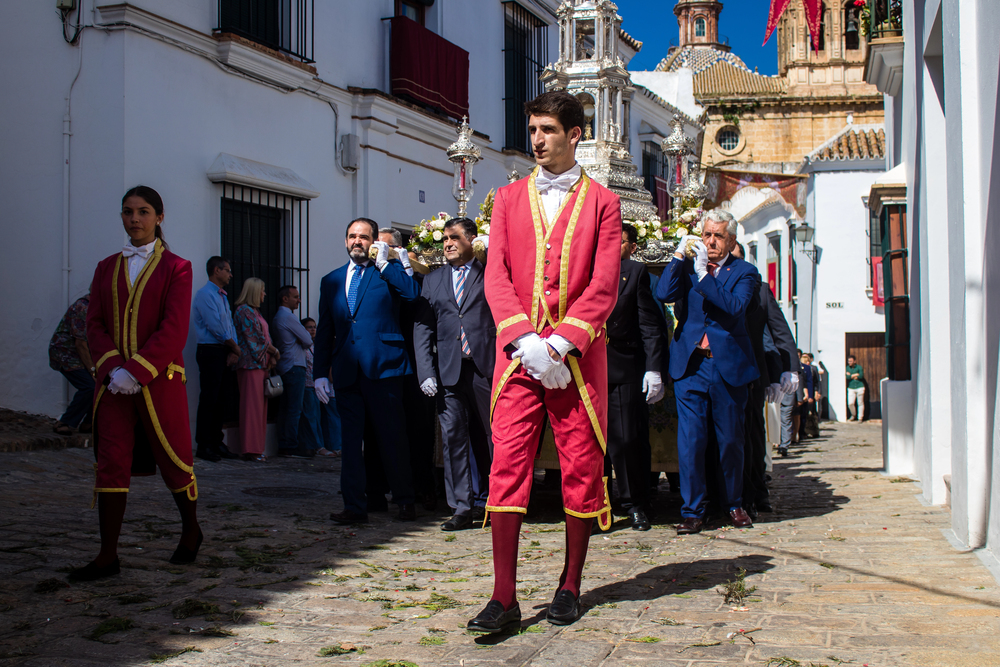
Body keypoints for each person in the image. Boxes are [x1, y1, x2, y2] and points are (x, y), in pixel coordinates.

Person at [467, 91, 621, 634]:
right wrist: (527, 343)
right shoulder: (506, 200)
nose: (537, 139)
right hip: (519, 360)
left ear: (575, 134)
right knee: (507, 466)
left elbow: (603, 285)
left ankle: (571, 583)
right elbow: (497, 277)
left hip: (576, 362)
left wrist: (561, 345)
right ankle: (503, 595)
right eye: (532, 129)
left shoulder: (604, 202)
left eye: (548, 129)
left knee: (581, 467)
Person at [71, 185, 201, 582]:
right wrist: (112, 368)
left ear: (159, 217)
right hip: (112, 385)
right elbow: (93, 323)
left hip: (158, 380)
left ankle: (191, 529)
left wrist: (137, 370)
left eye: (143, 212)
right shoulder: (105, 266)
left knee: (173, 459)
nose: (135, 219)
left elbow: (174, 328)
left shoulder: (178, 267)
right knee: (110, 463)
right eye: (128, 212)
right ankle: (107, 555)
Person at [656, 208, 761, 536]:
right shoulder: (688, 267)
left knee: (730, 440)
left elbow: (734, 307)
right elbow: (663, 294)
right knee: (691, 442)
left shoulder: (745, 272)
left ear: (731, 240)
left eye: (718, 236)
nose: (711, 241)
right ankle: (692, 511)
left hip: (726, 364)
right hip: (692, 366)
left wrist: (704, 276)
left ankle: (733, 503)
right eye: (706, 235)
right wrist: (677, 255)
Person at [313, 217, 421, 524]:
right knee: (350, 443)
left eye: (363, 237)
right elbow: (325, 330)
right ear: (345, 241)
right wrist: (320, 372)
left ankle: (404, 500)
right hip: (347, 371)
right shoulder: (331, 280)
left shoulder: (387, 272)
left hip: (384, 367)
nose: (356, 241)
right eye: (352, 236)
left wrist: (387, 265)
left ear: (374, 242)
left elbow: (412, 294)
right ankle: (354, 507)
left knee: (392, 438)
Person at [413, 217, 495, 532]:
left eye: (454, 238)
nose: (447, 243)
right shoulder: (433, 280)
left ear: (472, 241)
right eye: (444, 239)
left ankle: (496, 500)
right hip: (448, 371)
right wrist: (426, 372)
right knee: (453, 438)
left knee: (493, 437)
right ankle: (461, 506)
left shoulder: (490, 271)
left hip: (485, 367)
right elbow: (422, 326)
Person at [602, 223, 665, 532]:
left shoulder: (634, 272)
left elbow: (650, 325)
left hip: (624, 365)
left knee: (627, 439)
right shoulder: (581, 270)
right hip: (586, 367)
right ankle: (595, 506)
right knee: (590, 443)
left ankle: (635, 503)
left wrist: (654, 368)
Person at [731, 242, 798, 515]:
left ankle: (757, 492)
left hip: (754, 374)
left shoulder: (759, 289)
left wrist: (788, 368)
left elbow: (778, 330)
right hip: (721, 373)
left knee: (754, 437)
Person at [378, 227, 437, 510]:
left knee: (418, 429)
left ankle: (420, 487)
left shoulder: (413, 276)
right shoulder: (376, 274)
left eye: (383, 247)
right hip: (387, 362)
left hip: (414, 363)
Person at [192, 256, 241, 462]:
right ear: (216, 270)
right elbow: (216, 327)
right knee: (209, 399)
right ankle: (204, 444)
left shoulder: (221, 296)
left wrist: (232, 350)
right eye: (227, 270)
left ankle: (216, 441)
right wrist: (235, 347)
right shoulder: (205, 295)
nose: (230, 275)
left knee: (222, 399)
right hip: (210, 350)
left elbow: (228, 324)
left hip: (223, 350)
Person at [233, 277, 278, 462]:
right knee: (252, 408)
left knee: (260, 409)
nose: (264, 294)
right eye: (262, 290)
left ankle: (258, 448)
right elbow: (256, 339)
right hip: (251, 365)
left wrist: (272, 356)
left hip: (261, 365)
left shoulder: (254, 312)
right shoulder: (244, 312)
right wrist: (274, 352)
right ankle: (251, 449)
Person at [272, 285, 314, 458]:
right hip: (294, 366)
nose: (299, 300)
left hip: (287, 365)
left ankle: (287, 443)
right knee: (294, 409)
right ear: (285, 298)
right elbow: (307, 339)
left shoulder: (280, 317)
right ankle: (290, 444)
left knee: (287, 408)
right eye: (296, 297)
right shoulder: (288, 317)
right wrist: (301, 339)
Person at [49, 293, 95, 435]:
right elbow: (80, 344)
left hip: (82, 354)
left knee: (100, 385)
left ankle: (89, 423)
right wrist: (93, 370)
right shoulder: (83, 307)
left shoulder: (99, 308)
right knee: (89, 387)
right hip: (66, 353)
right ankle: (66, 422)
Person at [299, 317, 334, 457]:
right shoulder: (303, 345)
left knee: (318, 416)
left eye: (314, 327)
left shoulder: (316, 346)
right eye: (309, 327)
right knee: (311, 416)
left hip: (315, 385)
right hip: (307, 384)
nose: (313, 329)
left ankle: (321, 444)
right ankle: (317, 446)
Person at [846, 354, 865, 421]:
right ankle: (853, 415)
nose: (849, 363)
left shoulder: (859, 367)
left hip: (859, 386)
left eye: (851, 361)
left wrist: (851, 375)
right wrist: (855, 375)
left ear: (854, 361)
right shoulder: (847, 368)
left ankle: (860, 417)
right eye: (849, 361)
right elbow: (847, 377)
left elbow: (861, 376)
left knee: (860, 402)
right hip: (851, 387)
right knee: (850, 403)